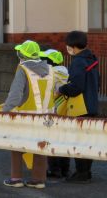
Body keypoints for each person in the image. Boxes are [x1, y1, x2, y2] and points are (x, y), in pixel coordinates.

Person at [3, 40, 55, 189]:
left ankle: (16, 178)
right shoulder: (50, 69)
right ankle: (38, 180)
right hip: (46, 118)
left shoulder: (23, 69)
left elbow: (15, 96)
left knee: (16, 146)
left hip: (24, 116)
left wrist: (4, 112)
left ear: (22, 55)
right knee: (40, 146)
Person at [58, 31, 99, 183]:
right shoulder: (92, 59)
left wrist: (62, 89)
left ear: (73, 46)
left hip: (80, 107)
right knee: (88, 140)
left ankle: (81, 173)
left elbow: (76, 87)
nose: (67, 47)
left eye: (68, 45)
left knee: (79, 140)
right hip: (92, 104)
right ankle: (87, 172)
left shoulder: (78, 62)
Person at [40, 49, 70, 178]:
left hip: (54, 109)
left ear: (51, 61)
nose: (43, 61)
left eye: (45, 59)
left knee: (52, 139)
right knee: (64, 139)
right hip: (66, 109)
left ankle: (54, 170)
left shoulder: (51, 73)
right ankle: (65, 169)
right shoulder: (66, 72)